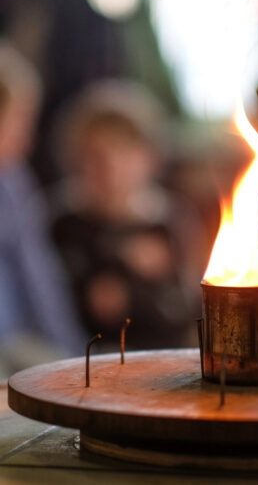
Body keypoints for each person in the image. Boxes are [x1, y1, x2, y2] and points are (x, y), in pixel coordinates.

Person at [51, 80, 200, 350]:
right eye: (96, 155)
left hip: (164, 354)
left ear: (149, 157)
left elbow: (191, 303)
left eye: (124, 152)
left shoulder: (169, 222)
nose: (111, 167)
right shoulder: (62, 224)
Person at [0, 42, 85, 376]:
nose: (27, 140)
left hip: (14, 343)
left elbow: (39, 278)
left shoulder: (13, 182)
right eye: (19, 123)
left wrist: (72, 355)